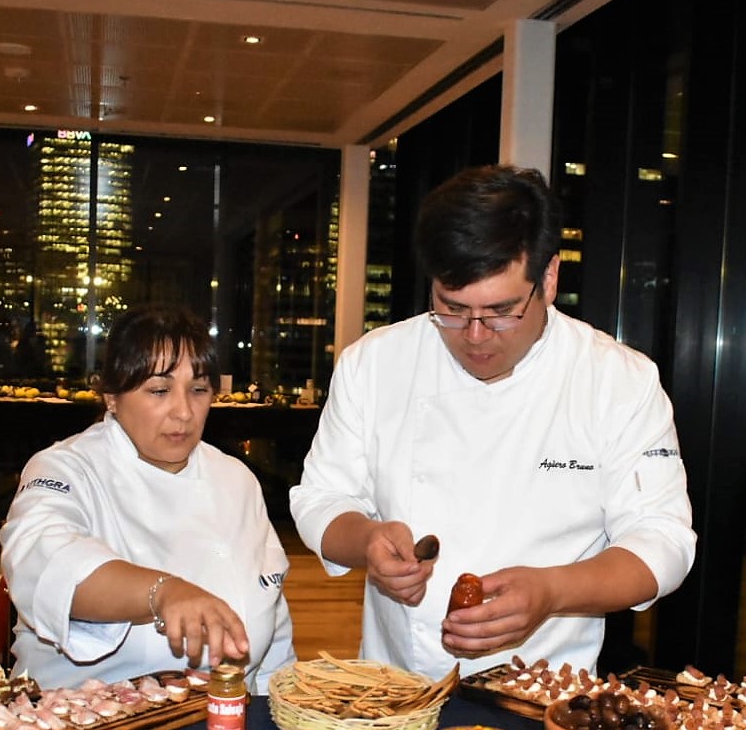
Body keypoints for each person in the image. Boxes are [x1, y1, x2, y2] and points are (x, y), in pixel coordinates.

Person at [289, 165, 697, 680]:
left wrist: (550, 593)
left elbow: (663, 540)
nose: (476, 335)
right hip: (396, 686)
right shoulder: (375, 362)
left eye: (501, 312)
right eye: (452, 310)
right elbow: (320, 498)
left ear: (548, 278)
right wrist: (366, 540)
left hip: (549, 690)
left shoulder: (617, 379)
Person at [0, 305, 293, 692]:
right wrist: (162, 592)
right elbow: (41, 559)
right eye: (159, 390)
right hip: (83, 726)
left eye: (199, 389)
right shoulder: (65, 468)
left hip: (223, 718)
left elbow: (271, 617)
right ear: (111, 397)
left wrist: (281, 706)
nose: (184, 411)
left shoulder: (235, 479)